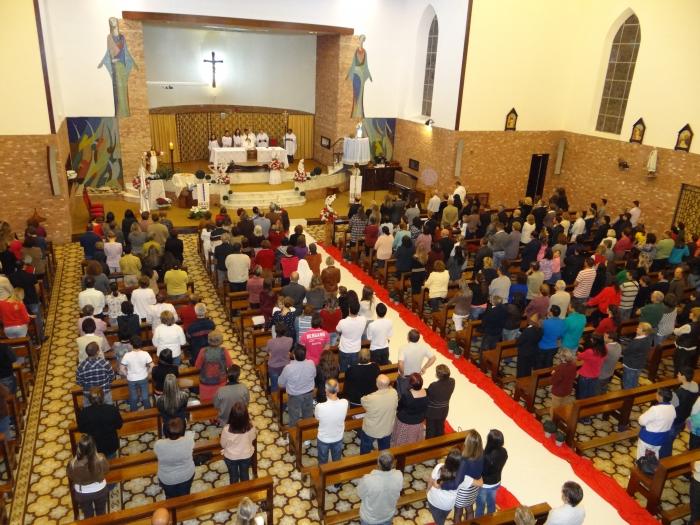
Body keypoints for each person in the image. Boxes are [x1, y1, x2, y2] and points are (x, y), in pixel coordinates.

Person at [67, 435, 110, 518]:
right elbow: (106, 470)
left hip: (82, 493)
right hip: (100, 489)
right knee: (101, 512)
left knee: (87, 514)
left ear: (78, 448)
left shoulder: (72, 463)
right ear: (94, 447)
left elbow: (71, 476)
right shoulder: (101, 458)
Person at [357, 451, 404, 525]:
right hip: (388, 515)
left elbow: (360, 494)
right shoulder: (399, 475)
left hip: (369, 518)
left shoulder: (368, 479)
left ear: (378, 463)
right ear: (393, 464)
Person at [154, 418, 196, 498]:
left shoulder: (159, 444)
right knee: (185, 494)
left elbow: (157, 454)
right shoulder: (189, 441)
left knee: (169, 496)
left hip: (167, 478)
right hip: (186, 475)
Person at [76, 387, 123, 458]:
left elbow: (81, 429)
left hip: (93, 446)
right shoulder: (112, 409)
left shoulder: (83, 413)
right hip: (110, 444)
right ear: (103, 398)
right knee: (112, 462)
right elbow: (119, 425)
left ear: (89, 400)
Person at [278, 345, 316, 430]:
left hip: (294, 397)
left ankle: (293, 438)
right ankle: (307, 437)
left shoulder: (288, 368)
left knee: (294, 418)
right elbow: (314, 375)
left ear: (294, 355)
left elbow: (280, 383)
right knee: (308, 417)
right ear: (305, 354)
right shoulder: (311, 363)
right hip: (309, 394)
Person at [360, 374, 398, 454]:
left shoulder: (371, 398)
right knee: (384, 451)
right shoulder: (394, 393)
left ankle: (364, 462)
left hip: (371, 430)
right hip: (387, 429)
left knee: (365, 449)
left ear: (377, 384)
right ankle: (383, 464)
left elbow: (362, 400)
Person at [474, 429, 508, 517]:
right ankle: (491, 518)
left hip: (485, 484)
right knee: (491, 502)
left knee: (480, 505)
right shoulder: (504, 452)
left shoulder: (485, 456)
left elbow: (481, 472)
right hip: (496, 481)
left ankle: (478, 520)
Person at [221, 401, 257, 484]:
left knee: (233, 477)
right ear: (246, 416)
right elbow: (253, 438)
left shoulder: (226, 429)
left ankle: (235, 493)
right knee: (245, 474)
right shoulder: (251, 427)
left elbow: (223, 444)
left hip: (230, 457)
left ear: (231, 416)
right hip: (246, 455)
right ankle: (245, 491)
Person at [314, 378, 348, 465]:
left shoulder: (320, 406)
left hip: (323, 439)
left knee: (322, 461)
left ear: (326, 390)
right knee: (337, 461)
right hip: (338, 437)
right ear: (338, 389)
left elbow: (317, 418)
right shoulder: (345, 402)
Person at [391, 373, 428, 446]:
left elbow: (399, 407)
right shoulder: (426, 392)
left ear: (411, 384)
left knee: (401, 442)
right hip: (419, 420)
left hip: (405, 420)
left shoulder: (407, 395)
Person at [195, 330, 233, 403]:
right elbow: (230, 365)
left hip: (205, 384)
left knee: (206, 405)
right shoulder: (224, 351)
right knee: (221, 403)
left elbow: (197, 366)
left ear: (209, 340)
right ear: (220, 340)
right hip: (221, 383)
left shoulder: (203, 351)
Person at [119, 337, 153, 411]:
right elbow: (152, 366)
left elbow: (121, 368)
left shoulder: (127, 355)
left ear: (131, 345)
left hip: (131, 379)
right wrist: (147, 372)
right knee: (145, 396)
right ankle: (148, 411)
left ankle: (134, 412)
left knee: (133, 397)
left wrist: (126, 374)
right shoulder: (145, 353)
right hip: (143, 377)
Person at [336, 299, 367, 372]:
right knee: (354, 370)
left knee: (343, 370)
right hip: (356, 349)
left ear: (349, 309)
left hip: (344, 349)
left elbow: (337, 330)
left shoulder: (343, 322)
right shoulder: (363, 320)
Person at [426, 364, 455, 438]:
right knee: (440, 428)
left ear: (438, 375)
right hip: (444, 409)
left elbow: (429, 396)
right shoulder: (452, 381)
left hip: (432, 411)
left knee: (430, 430)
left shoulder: (434, 385)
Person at [622, 322, 654, 389]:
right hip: (640, 364)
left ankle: (627, 396)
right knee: (634, 380)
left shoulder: (637, 342)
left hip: (631, 365)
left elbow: (626, 352)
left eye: (639, 328)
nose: (637, 328)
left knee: (627, 383)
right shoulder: (648, 338)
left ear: (643, 331)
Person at [264, 323, 293, 392]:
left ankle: (275, 400)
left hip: (273, 367)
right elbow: (288, 350)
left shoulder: (270, 341)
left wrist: (270, 353)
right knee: (286, 384)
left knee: (274, 386)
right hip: (286, 365)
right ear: (285, 331)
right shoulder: (290, 340)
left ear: (276, 331)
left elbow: (267, 350)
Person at [576, 334, 607, 400]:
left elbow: (579, 357)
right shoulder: (605, 350)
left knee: (582, 394)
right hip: (595, 375)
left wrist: (579, 353)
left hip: (585, 376)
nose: (591, 340)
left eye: (592, 340)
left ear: (595, 342)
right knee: (591, 394)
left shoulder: (590, 352)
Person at [550, 349, 577, 417]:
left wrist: (553, 374)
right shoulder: (573, 365)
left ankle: (553, 422)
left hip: (558, 391)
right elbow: (574, 376)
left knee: (554, 408)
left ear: (562, 357)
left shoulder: (560, 368)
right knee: (563, 407)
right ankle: (561, 418)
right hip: (568, 389)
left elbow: (554, 381)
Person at [537, 305, 565, 369]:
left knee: (540, 363)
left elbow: (539, 332)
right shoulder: (563, 322)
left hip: (543, 346)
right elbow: (561, 335)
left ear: (551, 313)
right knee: (549, 362)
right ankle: (547, 375)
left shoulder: (544, 322)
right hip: (554, 347)